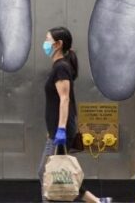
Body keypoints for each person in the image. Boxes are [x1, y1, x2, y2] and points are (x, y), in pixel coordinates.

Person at [38, 26, 104, 203]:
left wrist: (60, 129)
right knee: (60, 173)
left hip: (61, 131)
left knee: (51, 173)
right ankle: (97, 202)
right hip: (56, 131)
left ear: (58, 44)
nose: (45, 43)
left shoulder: (61, 68)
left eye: (47, 40)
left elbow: (64, 99)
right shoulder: (60, 67)